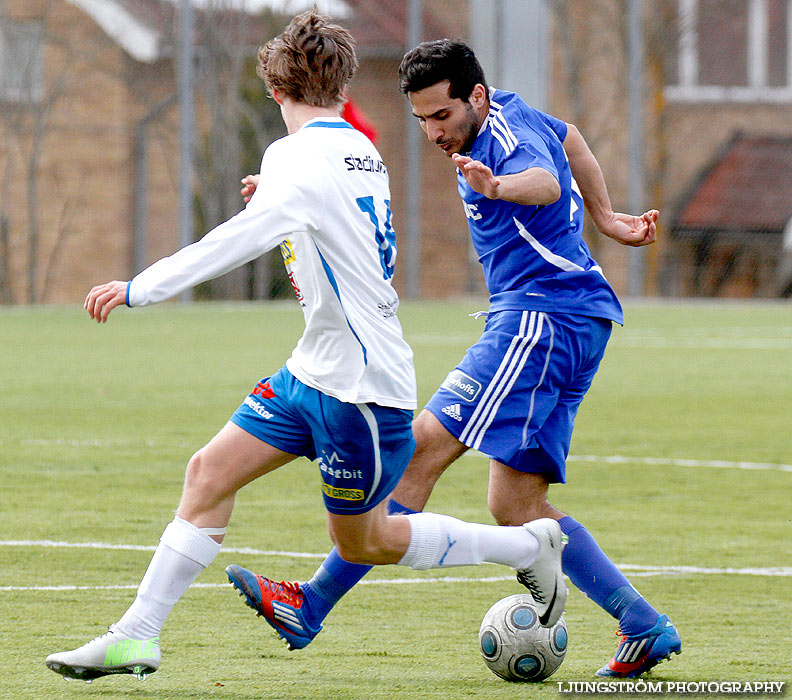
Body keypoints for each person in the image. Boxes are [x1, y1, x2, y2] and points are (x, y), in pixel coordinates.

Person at [44, 15, 566, 684]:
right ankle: (135, 636)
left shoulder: (294, 158)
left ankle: (528, 543)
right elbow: (346, 233)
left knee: (367, 541)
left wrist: (139, 286)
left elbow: (233, 241)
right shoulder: (358, 147)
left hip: (360, 390)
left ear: (272, 85)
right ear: (342, 82)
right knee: (208, 474)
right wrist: (282, 205)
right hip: (313, 369)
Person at [236, 39, 681, 679]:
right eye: (420, 119)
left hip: (539, 319)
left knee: (419, 452)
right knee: (517, 508)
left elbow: (547, 178)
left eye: (440, 116)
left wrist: (498, 185)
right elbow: (573, 138)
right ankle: (641, 622)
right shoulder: (514, 112)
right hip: (575, 321)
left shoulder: (498, 140)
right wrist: (606, 218)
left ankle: (310, 605)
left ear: (475, 97)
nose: (432, 132)